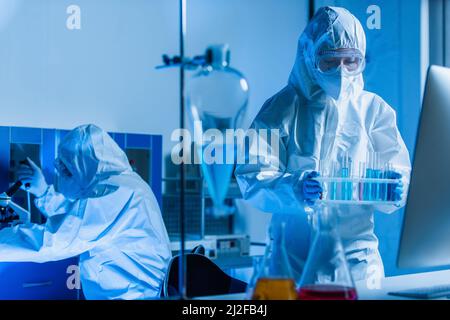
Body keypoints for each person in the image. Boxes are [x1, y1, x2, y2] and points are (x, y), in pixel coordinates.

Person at [235, 6, 411, 283]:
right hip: (293, 262)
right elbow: (252, 177)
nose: (341, 72)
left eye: (351, 60)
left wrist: (396, 188)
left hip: (358, 264)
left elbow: (397, 176)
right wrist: (295, 188)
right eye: (329, 61)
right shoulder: (280, 109)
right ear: (308, 55)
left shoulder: (374, 111)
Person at [0, 124, 171, 299]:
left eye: (68, 172)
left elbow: (56, 240)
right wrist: (44, 192)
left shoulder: (118, 192)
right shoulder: (124, 186)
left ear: (83, 167)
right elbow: (76, 217)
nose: (63, 176)